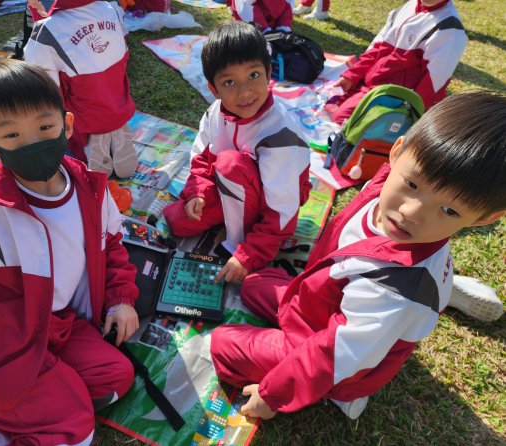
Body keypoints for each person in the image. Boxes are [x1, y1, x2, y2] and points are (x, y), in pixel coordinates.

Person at [210, 92, 506, 420]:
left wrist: (272, 396)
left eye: (449, 210)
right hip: (323, 305)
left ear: (484, 219)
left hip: (343, 355)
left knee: (222, 345)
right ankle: (443, 293)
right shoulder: (380, 185)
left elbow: (337, 354)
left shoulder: (396, 287)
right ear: (397, 152)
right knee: (252, 283)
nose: (410, 212)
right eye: (412, 184)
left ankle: (342, 395)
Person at [0, 59, 140, 445]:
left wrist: (120, 299)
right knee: (74, 428)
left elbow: (112, 245)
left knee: (114, 379)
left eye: (45, 127)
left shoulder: (90, 187)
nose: (34, 143)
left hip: (58, 326)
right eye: (12, 134)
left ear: (67, 124)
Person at [163, 22, 312, 283]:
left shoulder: (281, 136)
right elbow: (201, 157)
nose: (244, 92)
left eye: (253, 75)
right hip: (232, 188)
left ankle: (238, 240)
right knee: (177, 221)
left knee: (229, 163)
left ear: (268, 73)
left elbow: (282, 211)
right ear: (214, 89)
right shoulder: (215, 112)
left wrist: (246, 255)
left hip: (271, 206)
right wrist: (198, 193)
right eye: (229, 82)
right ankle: (231, 212)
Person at [24, 0, 139, 178]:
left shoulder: (45, 32)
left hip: (83, 119)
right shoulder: (109, 7)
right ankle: (114, 132)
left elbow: (45, 90)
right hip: (119, 103)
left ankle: (88, 147)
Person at [327, 0, 466, 124]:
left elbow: (431, 87)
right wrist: (351, 76)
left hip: (394, 99)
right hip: (372, 84)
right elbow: (376, 49)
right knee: (328, 107)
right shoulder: (408, 7)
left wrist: (406, 117)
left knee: (340, 121)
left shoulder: (449, 29)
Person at [229, 0, 294, 33]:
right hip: (254, 27)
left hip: (275, 27)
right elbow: (243, 9)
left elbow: (287, 8)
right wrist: (264, 30)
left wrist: (284, 27)